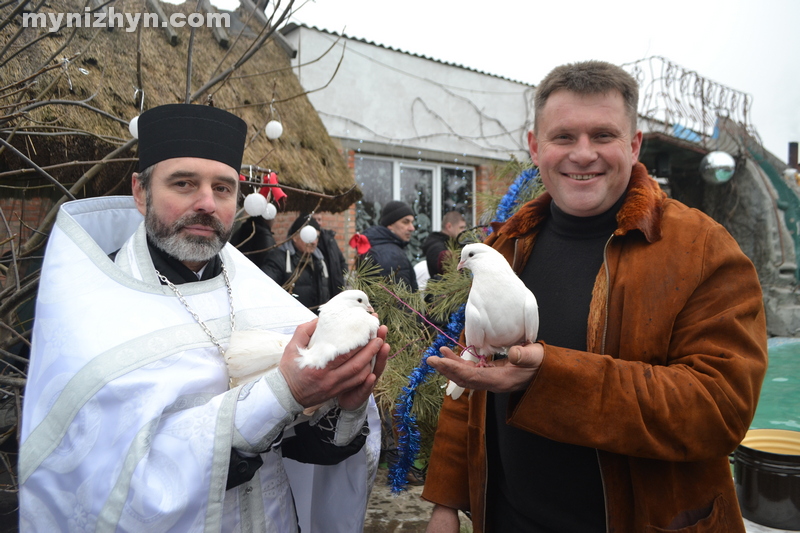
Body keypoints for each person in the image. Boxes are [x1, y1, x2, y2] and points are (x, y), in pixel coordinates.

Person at [423, 61, 767, 533]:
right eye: (563, 137)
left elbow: (720, 408)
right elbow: (472, 377)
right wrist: (445, 500)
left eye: (603, 135)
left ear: (634, 144)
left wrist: (546, 378)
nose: (582, 155)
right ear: (535, 147)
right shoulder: (508, 246)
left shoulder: (702, 250)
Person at [19, 103, 389, 532]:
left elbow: (307, 455)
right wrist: (281, 392)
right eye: (183, 183)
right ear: (141, 192)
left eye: (224, 188)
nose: (207, 204)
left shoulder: (265, 299)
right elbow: (112, 489)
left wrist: (344, 405)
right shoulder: (95, 321)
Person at [262, 213, 331, 312]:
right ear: (294, 237)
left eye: (316, 237)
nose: (314, 242)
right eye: (308, 236)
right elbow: (266, 291)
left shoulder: (320, 261)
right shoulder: (278, 260)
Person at [356, 200, 418, 291]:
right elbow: (399, 298)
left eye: (412, 222)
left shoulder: (377, 245)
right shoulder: (392, 254)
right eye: (405, 222)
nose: (412, 228)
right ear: (390, 224)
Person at [421, 211, 467, 278]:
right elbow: (446, 264)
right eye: (461, 227)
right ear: (449, 226)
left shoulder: (453, 243)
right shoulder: (436, 246)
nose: (464, 231)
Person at [312, 212, 347, 298]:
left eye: (319, 219)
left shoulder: (330, 239)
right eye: (314, 220)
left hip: (335, 288)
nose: (317, 222)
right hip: (321, 290)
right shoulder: (308, 243)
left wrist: (341, 276)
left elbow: (341, 261)